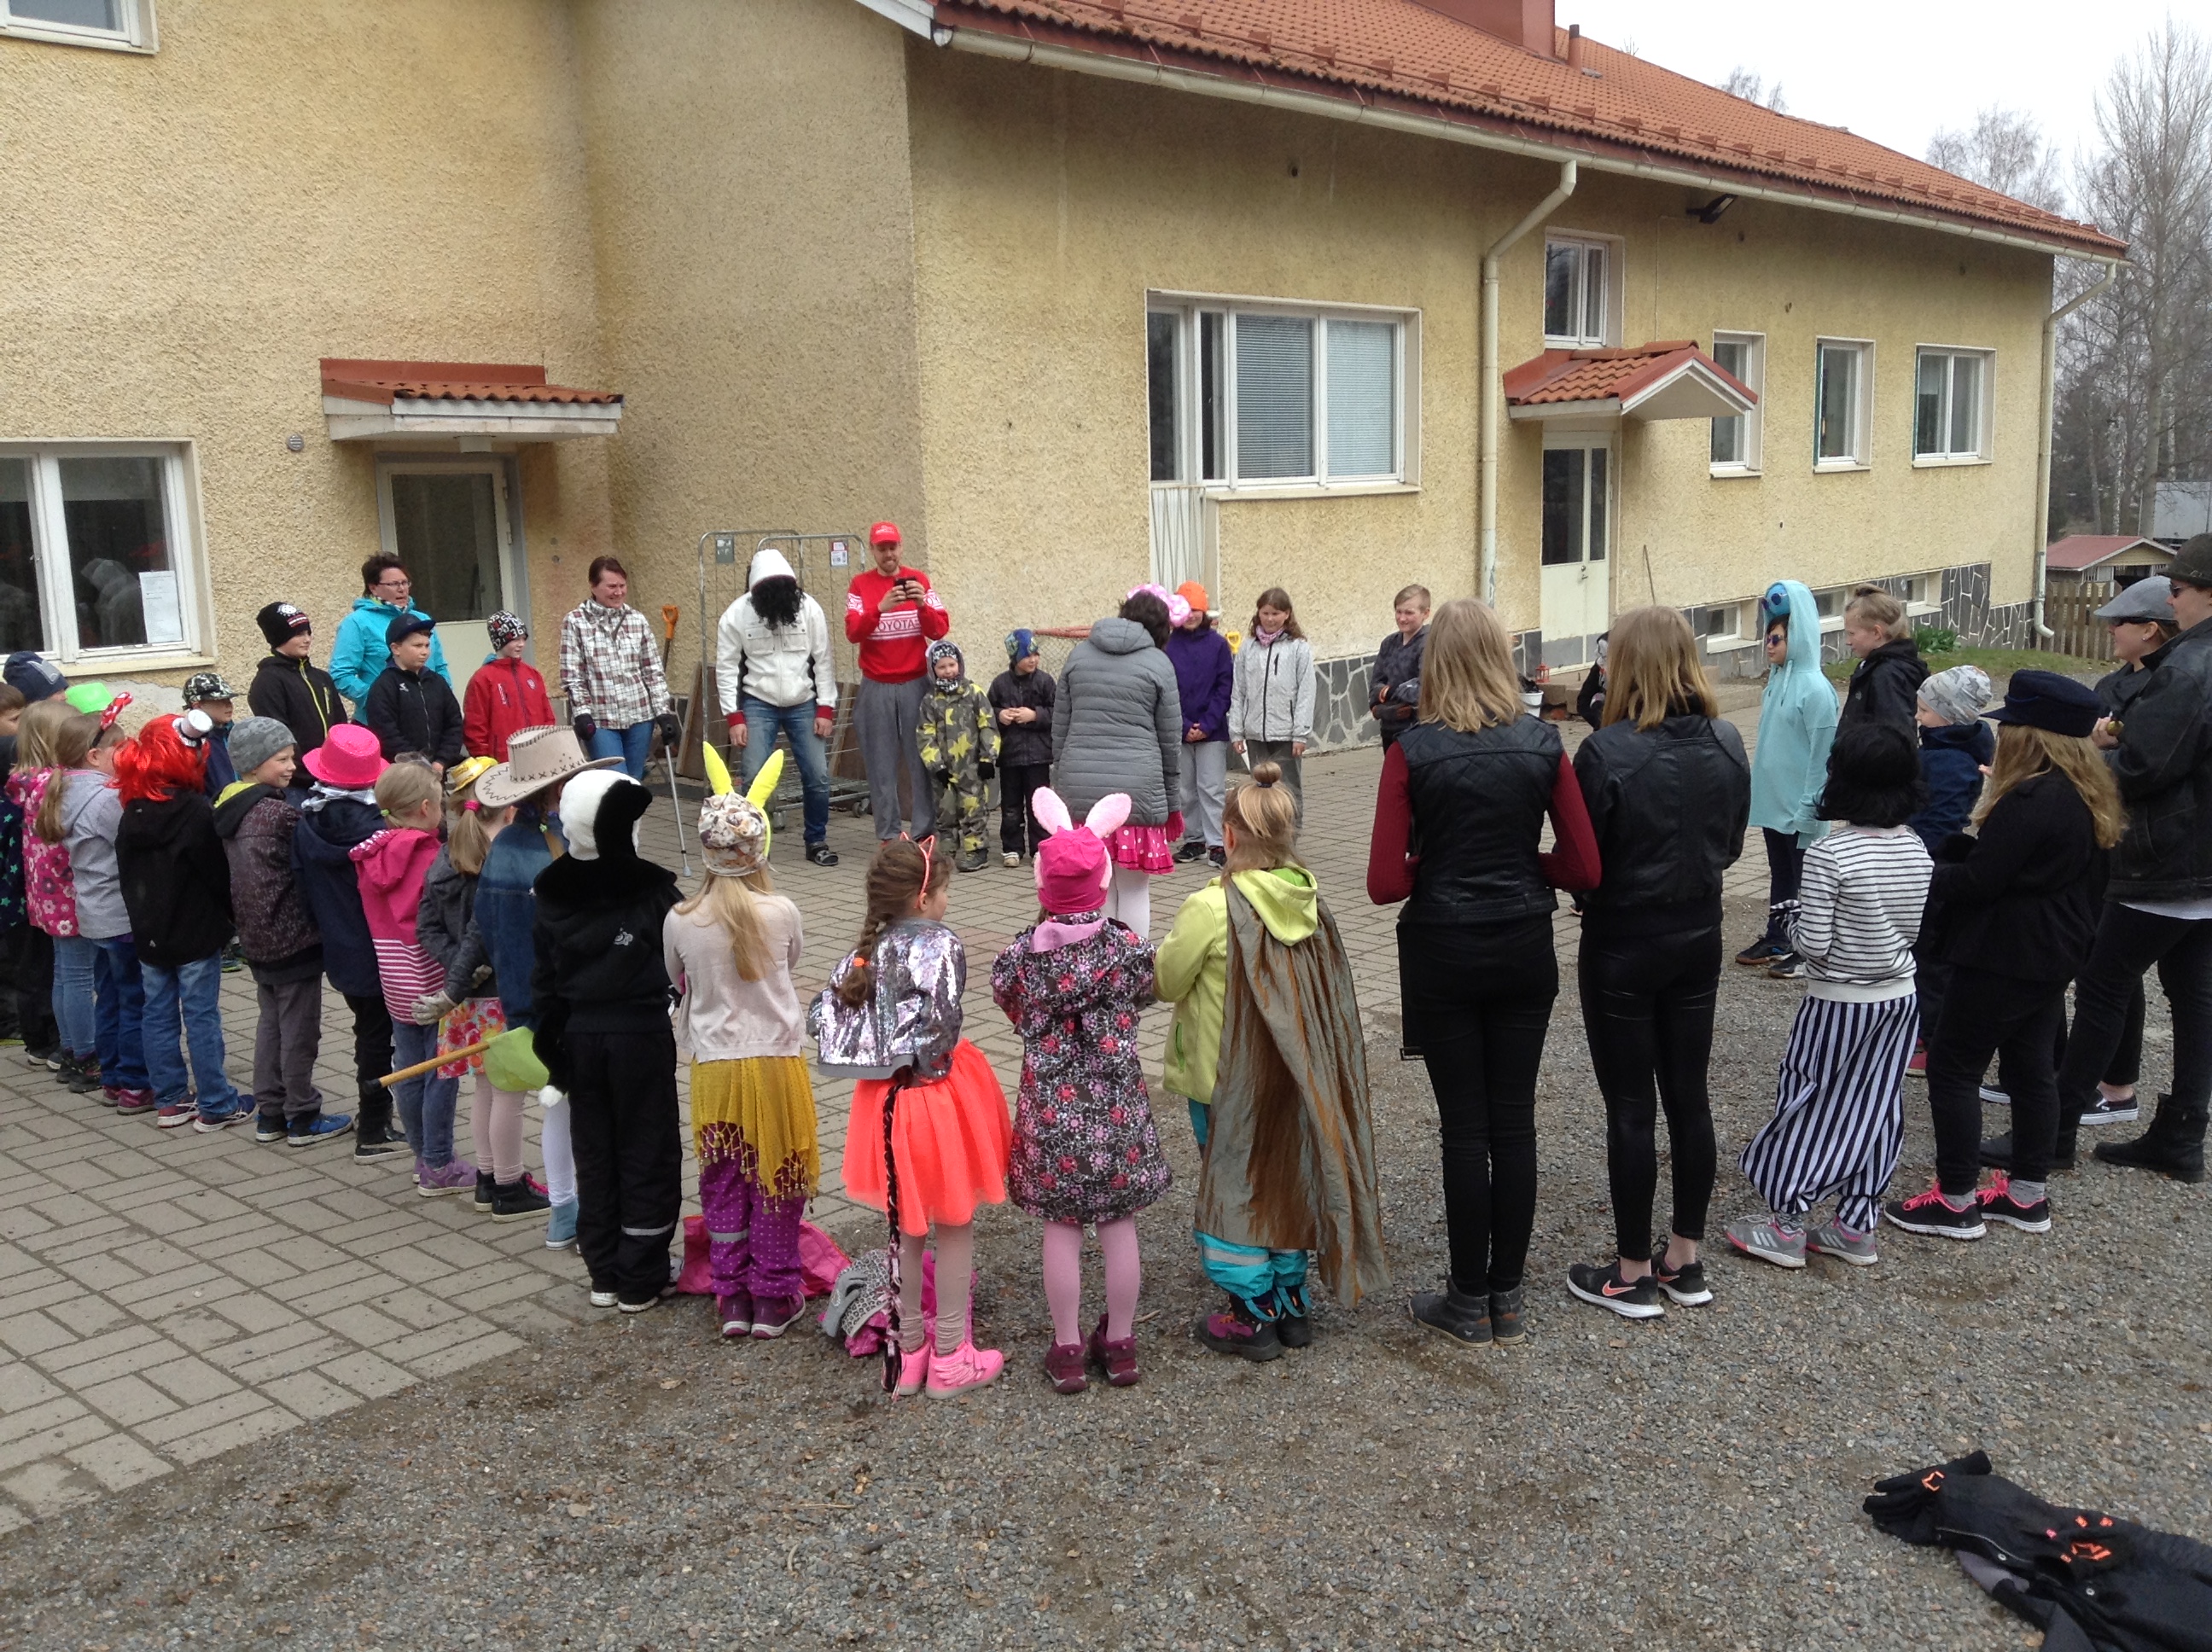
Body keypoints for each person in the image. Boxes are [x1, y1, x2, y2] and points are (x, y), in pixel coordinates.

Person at [1366, 598, 1599, 1347]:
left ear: (1435, 664)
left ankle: (1467, 1297)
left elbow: (1384, 883)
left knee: (1465, 1129)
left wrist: (1443, 865)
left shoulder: (1411, 751)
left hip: (1444, 949)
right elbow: (1585, 868)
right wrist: (1522, 866)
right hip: (1523, 944)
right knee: (1515, 1120)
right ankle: (1509, 1297)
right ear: (1502, 660)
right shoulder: (1544, 744)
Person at [1562, 607, 1749, 1321]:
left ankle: (1634, 1271)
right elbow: (1732, 842)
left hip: (1624, 941)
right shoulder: (1727, 738)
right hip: (1697, 931)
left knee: (1632, 1105)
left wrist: (1590, 893)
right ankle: (1684, 1257)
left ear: (1627, 663)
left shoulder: (1606, 751)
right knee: (1688, 1095)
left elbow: (1585, 861)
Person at [1162, 763, 1385, 1360]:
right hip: (1291, 1076)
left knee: (1235, 1181)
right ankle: (1292, 1300)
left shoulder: (1211, 906)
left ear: (1228, 835)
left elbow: (1167, 979)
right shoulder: (1308, 899)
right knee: (1284, 1173)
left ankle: (1251, 1311)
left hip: (1222, 1079)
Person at [1885, 672, 2118, 1241]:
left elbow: (1981, 882)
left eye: (2011, 724)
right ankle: (2026, 1194)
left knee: (1954, 1067)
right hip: (2052, 954)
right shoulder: (2086, 791)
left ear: (2033, 735)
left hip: (2004, 954)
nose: (2003, 733)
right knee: (2031, 1070)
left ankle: (1955, 1199)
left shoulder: (2033, 797)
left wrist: (1926, 872)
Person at [2034, 535, 2212, 1183]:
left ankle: (2051, 1134)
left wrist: (2090, 759)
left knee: (2104, 984)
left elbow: (2143, 769)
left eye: (2179, 589)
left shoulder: (2189, 667)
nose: (2172, 600)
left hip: (2167, 862)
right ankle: (2182, 1137)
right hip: (2200, 863)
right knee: (2194, 998)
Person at [812, 838, 1012, 1398]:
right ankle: (951, 1356)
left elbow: (824, 1015)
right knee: (954, 1222)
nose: (948, 900)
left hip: (884, 1105)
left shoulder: (863, 953)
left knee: (906, 1225)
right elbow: (941, 1024)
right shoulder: (938, 943)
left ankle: (909, 1353)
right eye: (944, 890)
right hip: (935, 1101)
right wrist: (929, 1064)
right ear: (923, 898)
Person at [1727, 721, 1931, 1270]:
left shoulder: (1830, 854)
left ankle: (1787, 1223)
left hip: (1839, 999)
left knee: (1810, 1098)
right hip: (1899, 996)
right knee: (1878, 1104)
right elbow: (1914, 928)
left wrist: (1790, 919)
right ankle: (1856, 1225)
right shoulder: (1916, 846)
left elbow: (1814, 944)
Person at [992, 788, 1168, 1392]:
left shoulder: (1020, 957)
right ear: (1105, 880)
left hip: (1051, 1113)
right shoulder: (1127, 949)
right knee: (1119, 1226)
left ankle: (1067, 1348)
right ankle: (1120, 1343)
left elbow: (1009, 1003)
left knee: (1061, 1228)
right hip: (1117, 1109)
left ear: (1042, 884)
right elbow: (1148, 991)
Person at [664, 751, 818, 1340]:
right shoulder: (781, 911)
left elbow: (676, 978)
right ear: (761, 848)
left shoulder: (681, 918)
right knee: (778, 1174)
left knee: (724, 1176)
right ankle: (774, 1296)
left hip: (716, 1068)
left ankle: (731, 1295)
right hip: (776, 1063)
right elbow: (791, 963)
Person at [531, 768, 684, 1310]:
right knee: (648, 1147)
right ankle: (641, 1273)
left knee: (594, 1150)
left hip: (578, 1037)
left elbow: (543, 980)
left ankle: (604, 1271)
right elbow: (682, 958)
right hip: (639, 1035)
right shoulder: (652, 890)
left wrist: (553, 1053)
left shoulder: (550, 891)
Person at [474, 725, 620, 1249]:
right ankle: (595, 1213)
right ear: (561, 790)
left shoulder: (503, 846)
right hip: (572, 1003)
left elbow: (484, 926)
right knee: (591, 1112)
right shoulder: (560, 855)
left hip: (523, 1001)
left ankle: (563, 1211)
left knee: (556, 1106)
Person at [2065, 576, 2182, 1126]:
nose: (2111, 630)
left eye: (2121, 623)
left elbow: (2141, 768)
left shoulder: (2169, 687)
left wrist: (2093, 755)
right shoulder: (2116, 682)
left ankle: (2114, 1086)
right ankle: (2099, 1079)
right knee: (2106, 965)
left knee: (2111, 972)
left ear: (2151, 629)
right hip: (2103, 837)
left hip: (2138, 845)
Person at [416, 756, 547, 1222]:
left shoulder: (444, 854)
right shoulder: (504, 862)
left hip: (463, 1001)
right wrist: (472, 967)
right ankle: (508, 1186)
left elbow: (425, 928)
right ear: (511, 811)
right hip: (500, 996)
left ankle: (487, 1179)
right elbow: (490, 931)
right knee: (509, 1094)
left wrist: (456, 968)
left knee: (485, 1091)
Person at [213, 717, 350, 1146]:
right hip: (292, 938)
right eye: (282, 759)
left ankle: (270, 1111)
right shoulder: (279, 815)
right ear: (255, 763)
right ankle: (302, 1113)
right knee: (299, 1030)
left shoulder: (231, 808)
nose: (292, 766)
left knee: (271, 1023)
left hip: (257, 936)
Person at [115, 713, 252, 1133]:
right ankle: (216, 1102)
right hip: (195, 932)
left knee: (156, 1013)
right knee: (201, 1015)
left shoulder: (132, 811)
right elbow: (216, 873)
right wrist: (233, 915)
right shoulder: (194, 812)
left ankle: (170, 1099)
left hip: (150, 933)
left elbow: (126, 874)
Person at [355, 759, 478, 1195]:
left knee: (407, 1068)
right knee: (440, 1070)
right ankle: (439, 1162)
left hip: (393, 972)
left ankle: (422, 1155)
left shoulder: (370, 853)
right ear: (427, 808)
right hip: (434, 971)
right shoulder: (430, 855)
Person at [290, 724, 408, 1161]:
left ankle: (372, 1115)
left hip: (340, 949)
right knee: (383, 1039)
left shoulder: (306, 821)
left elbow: (302, 890)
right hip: (385, 950)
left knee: (368, 1032)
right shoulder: (382, 833)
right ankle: (375, 1128)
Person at [1051, 588, 1182, 939]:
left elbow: (1060, 728)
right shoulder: (1159, 664)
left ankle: (1103, 961)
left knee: (1099, 884)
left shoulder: (1078, 655)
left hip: (1082, 789)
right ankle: (1135, 961)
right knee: (1135, 889)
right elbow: (1170, 740)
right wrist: (1172, 802)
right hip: (1136, 793)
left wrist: (1060, 785)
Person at [1738, 581, 1840, 974]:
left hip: (1801, 809)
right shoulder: (1775, 682)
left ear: (1797, 637)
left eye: (1777, 638)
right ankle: (1779, 934)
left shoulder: (1816, 690)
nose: (1769, 645)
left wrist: (1810, 807)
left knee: (1807, 881)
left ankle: (1809, 948)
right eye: (1767, 637)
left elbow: (1822, 756)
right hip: (1774, 805)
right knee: (1781, 875)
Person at [716, 547, 840, 867]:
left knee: (818, 776)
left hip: (804, 701)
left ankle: (816, 841)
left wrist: (826, 707)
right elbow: (726, 667)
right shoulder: (736, 614)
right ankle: (755, 845)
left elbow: (824, 660)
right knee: (753, 777)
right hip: (758, 702)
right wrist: (734, 716)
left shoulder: (809, 608)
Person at [1903, 664, 1995, 1073]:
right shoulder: (1943, 749)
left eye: (1925, 711)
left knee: (1930, 956)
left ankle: (1932, 1038)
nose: (1918, 717)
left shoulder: (1950, 762)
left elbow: (1938, 822)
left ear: (1950, 714)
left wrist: (1915, 857)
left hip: (1932, 865)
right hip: (1928, 860)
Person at [61, 702, 148, 1111]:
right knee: (134, 1000)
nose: (128, 755)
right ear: (95, 756)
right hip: (119, 915)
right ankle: (135, 1082)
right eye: (120, 749)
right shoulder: (104, 799)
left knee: (110, 997)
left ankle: (112, 1077)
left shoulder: (67, 791)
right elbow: (133, 841)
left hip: (94, 915)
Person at [845, 521, 950, 841]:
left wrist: (921, 605)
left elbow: (939, 630)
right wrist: (879, 608)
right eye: (882, 549)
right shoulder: (860, 585)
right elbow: (853, 632)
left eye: (893, 547)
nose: (888, 554)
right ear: (872, 551)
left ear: (901, 548)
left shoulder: (919, 580)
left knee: (921, 760)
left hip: (916, 683)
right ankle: (889, 835)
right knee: (880, 764)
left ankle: (924, 832)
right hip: (876, 685)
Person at [15, 701, 96, 1091]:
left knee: (65, 973)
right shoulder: (57, 784)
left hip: (45, 896)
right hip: (67, 892)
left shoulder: (27, 781)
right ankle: (86, 1054)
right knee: (78, 976)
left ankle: (69, 1047)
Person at [560, 556, 679, 781]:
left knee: (633, 781)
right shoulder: (575, 622)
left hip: (640, 716)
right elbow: (572, 675)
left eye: (622, 586)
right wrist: (582, 712)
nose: (618, 592)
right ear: (593, 586)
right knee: (615, 782)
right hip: (600, 719)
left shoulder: (637, 620)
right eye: (611, 586)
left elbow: (653, 671)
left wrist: (663, 712)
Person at [1229, 586, 1315, 818]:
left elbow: (1306, 693)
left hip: (1286, 733)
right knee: (1260, 789)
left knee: (1287, 787)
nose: (1270, 619)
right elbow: (1239, 691)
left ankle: (1290, 834)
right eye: (1265, 613)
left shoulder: (1298, 648)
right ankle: (1263, 832)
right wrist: (1237, 731)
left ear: (1287, 614)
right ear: (1258, 614)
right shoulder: (1248, 647)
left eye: (1275, 614)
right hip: (1255, 732)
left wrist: (1300, 734)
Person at [329, 554, 452, 713]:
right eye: (393, 584)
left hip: (428, 716)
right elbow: (341, 674)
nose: (402, 589)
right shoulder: (357, 623)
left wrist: (442, 698)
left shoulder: (423, 620)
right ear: (373, 588)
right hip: (381, 718)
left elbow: (439, 666)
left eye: (405, 582)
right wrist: (377, 699)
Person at [1167, 584, 1235, 867]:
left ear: (1204, 612)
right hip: (1179, 729)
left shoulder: (1218, 645)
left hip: (1212, 730)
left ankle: (1217, 843)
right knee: (1185, 790)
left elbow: (1224, 687)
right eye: (1186, 610)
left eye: (1196, 610)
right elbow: (1167, 690)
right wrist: (1184, 726)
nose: (1191, 616)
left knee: (1211, 788)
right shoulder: (1168, 646)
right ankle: (1193, 840)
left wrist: (1207, 724)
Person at [916, 640, 997, 873]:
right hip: (944, 769)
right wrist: (936, 765)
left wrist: (988, 758)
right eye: (942, 667)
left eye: (952, 665)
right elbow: (925, 734)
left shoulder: (974, 693)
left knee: (974, 807)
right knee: (946, 810)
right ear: (933, 670)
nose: (948, 671)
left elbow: (988, 726)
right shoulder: (930, 701)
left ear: (959, 664)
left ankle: (977, 850)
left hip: (972, 766)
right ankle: (947, 851)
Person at [987, 630, 1056, 868]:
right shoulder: (1000, 684)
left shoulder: (1045, 682)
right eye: (1027, 655)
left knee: (1038, 804)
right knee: (1011, 805)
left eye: (1036, 654)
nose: (1033, 659)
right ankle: (1012, 847)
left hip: (1039, 756)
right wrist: (999, 715)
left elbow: (1057, 711)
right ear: (1014, 657)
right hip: (1010, 756)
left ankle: (1040, 847)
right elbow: (986, 712)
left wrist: (1035, 715)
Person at [248, 602, 343, 770]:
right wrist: (304, 769)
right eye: (299, 635)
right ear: (280, 638)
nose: (307, 640)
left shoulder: (321, 678)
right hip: (297, 774)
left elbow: (340, 725)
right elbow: (278, 735)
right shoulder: (268, 681)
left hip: (332, 770)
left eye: (308, 633)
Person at [364, 614, 464, 770]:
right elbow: (386, 734)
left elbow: (454, 724)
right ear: (396, 648)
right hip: (403, 773)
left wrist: (441, 761)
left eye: (427, 646)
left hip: (439, 769)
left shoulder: (437, 682)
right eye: (417, 646)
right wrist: (419, 763)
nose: (425, 652)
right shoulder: (384, 686)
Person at [462, 611, 555, 763]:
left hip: (538, 756)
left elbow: (547, 715)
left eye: (523, 638)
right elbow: (475, 724)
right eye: (515, 639)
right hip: (502, 760)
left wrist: (548, 742)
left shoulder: (532, 674)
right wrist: (483, 758)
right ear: (500, 642)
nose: (521, 644)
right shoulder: (483, 679)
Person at [1838, 585, 1928, 733]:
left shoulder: (1887, 675)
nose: (1848, 641)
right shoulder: (1874, 666)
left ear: (1876, 632)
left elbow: (1895, 734)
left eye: (1852, 634)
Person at [1370, 585, 1430, 750]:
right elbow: (1375, 685)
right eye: (1399, 612)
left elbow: (1425, 690)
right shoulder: (1389, 643)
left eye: (1409, 613)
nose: (1402, 618)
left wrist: (1388, 692)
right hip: (1389, 727)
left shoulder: (1430, 643)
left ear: (1425, 613)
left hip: (1418, 729)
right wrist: (1383, 700)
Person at [180, 672, 242, 796]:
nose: (229, 705)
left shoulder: (238, 734)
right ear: (197, 706)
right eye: (220, 700)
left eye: (229, 699)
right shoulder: (191, 743)